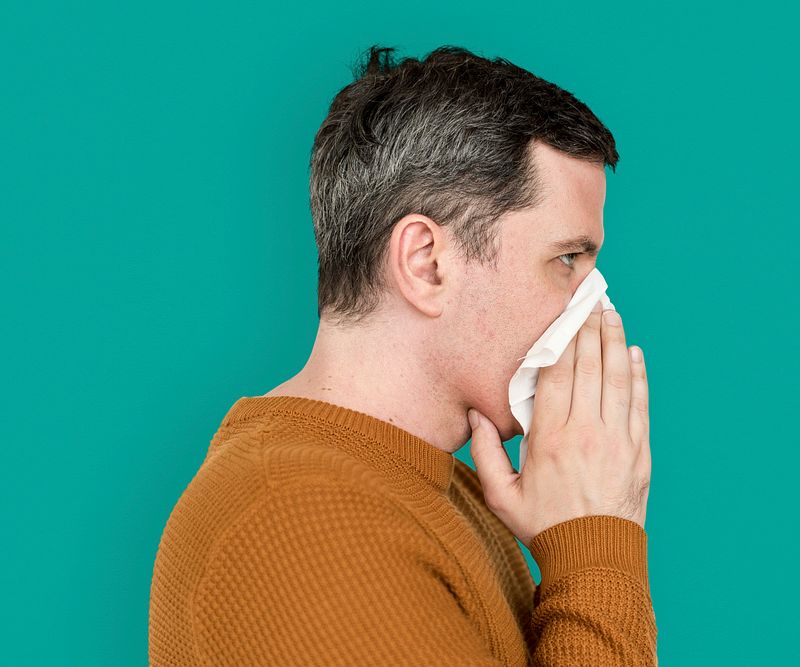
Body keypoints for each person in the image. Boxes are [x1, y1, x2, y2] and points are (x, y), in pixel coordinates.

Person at [149, 43, 655, 666]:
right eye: (566, 260)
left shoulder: (441, 494)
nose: (594, 307)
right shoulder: (301, 519)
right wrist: (596, 549)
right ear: (427, 263)